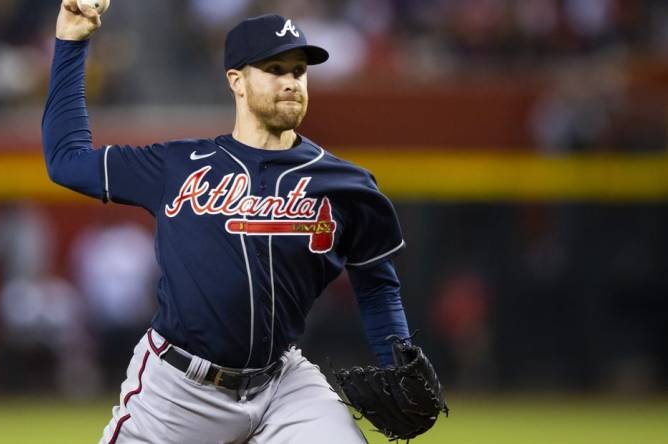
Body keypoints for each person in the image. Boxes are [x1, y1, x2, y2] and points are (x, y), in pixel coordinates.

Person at [43, 2, 411, 443]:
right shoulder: (178, 165)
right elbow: (67, 162)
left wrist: (396, 362)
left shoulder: (346, 184)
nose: (291, 81)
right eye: (275, 68)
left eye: (298, 70)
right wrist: (71, 41)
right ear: (236, 80)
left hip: (282, 383)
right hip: (179, 390)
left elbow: (375, 284)